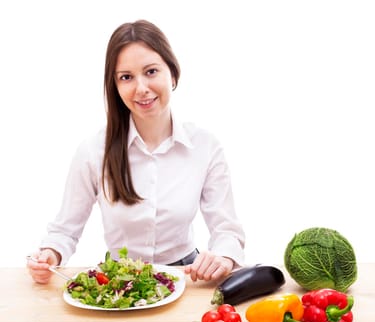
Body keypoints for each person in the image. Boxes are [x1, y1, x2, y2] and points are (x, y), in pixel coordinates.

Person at [27, 19, 245, 284]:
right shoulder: (93, 151)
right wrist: (50, 254)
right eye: (126, 77)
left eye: (151, 71)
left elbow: (227, 230)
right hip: (119, 283)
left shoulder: (205, 146)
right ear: (116, 86)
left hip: (186, 279)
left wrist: (223, 257)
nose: (141, 88)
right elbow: (65, 230)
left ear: (172, 74)